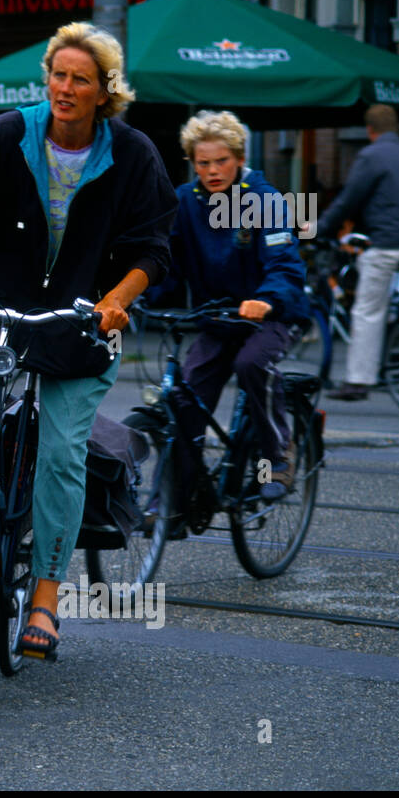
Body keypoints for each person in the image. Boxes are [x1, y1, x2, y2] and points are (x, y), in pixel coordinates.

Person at [0, 21, 173, 661]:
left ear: (106, 91)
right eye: (58, 75)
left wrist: (116, 301)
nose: (66, 88)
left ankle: (46, 593)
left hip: (79, 323)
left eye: (81, 79)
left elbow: (153, 250)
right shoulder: (7, 133)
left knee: (60, 453)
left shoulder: (133, 155)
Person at [163, 110, 309, 503]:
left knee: (252, 364)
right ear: (192, 163)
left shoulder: (263, 199)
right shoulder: (184, 202)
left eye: (221, 161)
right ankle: (179, 491)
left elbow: (285, 264)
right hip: (218, 318)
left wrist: (266, 299)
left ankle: (278, 456)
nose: (212, 170)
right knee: (185, 392)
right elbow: (166, 264)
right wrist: (136, 296)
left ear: (240, 158)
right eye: (203, 162)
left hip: (274, 315)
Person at [317, 105, 399, 401]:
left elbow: (349, 199)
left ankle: (358, 380)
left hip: (390, 243)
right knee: (389, 301)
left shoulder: (371, 156)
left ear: (370, 130)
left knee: (367, 309)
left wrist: (321, 228)